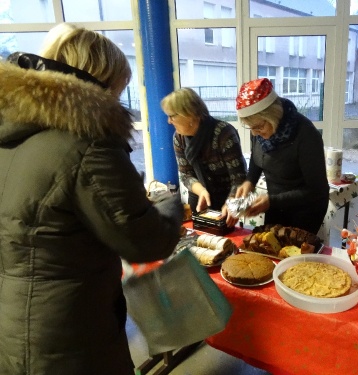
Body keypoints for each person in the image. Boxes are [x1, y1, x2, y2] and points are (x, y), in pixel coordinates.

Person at [0, 24, 184, 375]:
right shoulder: (88, 143)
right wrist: (170, 206)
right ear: (100, 83)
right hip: (68, 335)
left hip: (12, 323)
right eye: (118, 90)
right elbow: (146, 241)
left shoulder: (10, 132)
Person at [234, 78, 329, 234]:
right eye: (251, 128)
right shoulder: (260, 131)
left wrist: (272, 200)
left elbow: (317, 190)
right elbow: (257, 159)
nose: (254, 133)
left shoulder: (306, 135)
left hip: (305, 210)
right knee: (269, 248)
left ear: (273, 114)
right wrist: (249, 182)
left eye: (258, 127)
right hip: (275, 204)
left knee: (293, 254)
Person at [161, 88, 247, 227]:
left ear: (188, 114)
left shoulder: (224, 133)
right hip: (199, 199)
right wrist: (201, 191)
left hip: (227, 201)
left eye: (172, 116)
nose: (169, 121)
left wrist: (232, 203)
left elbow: (239, 177)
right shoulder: (179, 138)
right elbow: (185, 175)